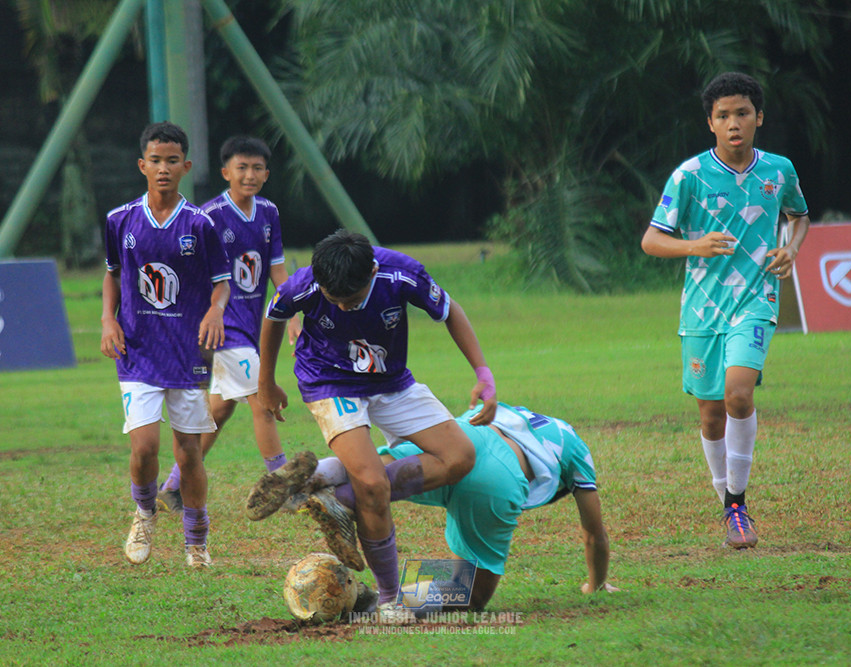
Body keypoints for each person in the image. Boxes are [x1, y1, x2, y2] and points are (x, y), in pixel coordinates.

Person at [247, 229, 497, 620]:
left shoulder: (401, 274)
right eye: (336, 300)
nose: (344, 308)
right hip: (329, 381)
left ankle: (331, 487)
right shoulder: (305, 283)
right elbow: (273, 315)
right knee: (373, 483)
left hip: (392, 381)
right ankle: (389, 599)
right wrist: (265, 382)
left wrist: (483, 372)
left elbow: (451, 311)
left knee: (460, 457)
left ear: (374, 272)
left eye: (353, 299)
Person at [641, 72, 810, 549]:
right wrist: (696, 244)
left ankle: (738, 504)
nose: (733, 123)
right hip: (702, 310)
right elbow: (651, 240)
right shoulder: (689, 175)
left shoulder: (779, 171)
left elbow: (799, 216)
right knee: (711, 414)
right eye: (723, 116)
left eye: (741, 113)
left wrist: (791, 248)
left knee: (739, 395)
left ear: (759, 118)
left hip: (755, 300)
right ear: (710, 123)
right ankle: (726, 502)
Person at [285, 403, 616, 612]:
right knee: (467, 591)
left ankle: (313, 476)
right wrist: (596, 583)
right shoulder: (575, 447)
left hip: (461, 437)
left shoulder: (519, 412)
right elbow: (594, 535)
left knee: (373, 475)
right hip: (496, 477)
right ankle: (377, 602)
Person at [100, 121, 231, 568]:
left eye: (172, 160)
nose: (163, 168)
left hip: (187, 353)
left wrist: (216, 310)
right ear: (142, 165)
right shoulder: (119, 220)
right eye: (155, 160)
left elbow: (221, 283)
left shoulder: (202, 224)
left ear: (186, 166)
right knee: (143, 448)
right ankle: (143, 513)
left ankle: (197, 541)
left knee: (189, 453)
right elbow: (113, 274)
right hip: (137, 349)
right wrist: (107, 320)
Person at [154, 135, 300, 514]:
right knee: (262, 402)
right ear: (226, 172)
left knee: (219, 411)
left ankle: (171, 487)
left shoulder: (269, 212)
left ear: (266, 174)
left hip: (251, 327)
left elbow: (277, 268)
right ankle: (282, 487)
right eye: (241, 167)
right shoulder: (208, 217)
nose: (249, 175)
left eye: (256, 168)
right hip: (223, 331)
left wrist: (294, 313)